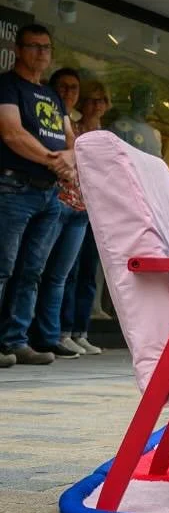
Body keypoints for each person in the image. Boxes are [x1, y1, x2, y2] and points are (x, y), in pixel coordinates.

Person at [0, 23, 76, 367]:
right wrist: (54, 160)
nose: (41, 53)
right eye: (33, 47)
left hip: (49, 193)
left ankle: (16, 341)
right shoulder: (7, 85)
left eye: (46, 47)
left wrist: (67, 163)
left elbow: (70, 139)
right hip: (14, 186)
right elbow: (12, 133)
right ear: (18, 49)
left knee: (32, 271)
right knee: (3, 267)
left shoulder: (51, 94)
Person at [31, 68, 92, 358]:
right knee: (35, 271)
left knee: (60, 277)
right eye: (64, 87)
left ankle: (51, 335)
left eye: (74, 88)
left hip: (80, 209)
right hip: (54, 202)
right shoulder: (48, 122)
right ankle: (27, 336)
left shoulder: (82, 127)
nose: (69, 93)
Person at [61, 80, 110, 354]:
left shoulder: (106, 134)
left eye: (102, 100)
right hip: (74, 202)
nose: (97, 105)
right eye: (92, 99)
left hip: (99, 210)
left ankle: (82, 330)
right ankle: (64, 330)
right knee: (69, 271)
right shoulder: (75, 128)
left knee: (89, 272)